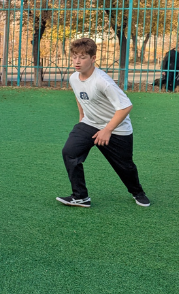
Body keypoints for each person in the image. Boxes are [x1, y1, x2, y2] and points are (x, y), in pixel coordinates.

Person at [57, 38, 150, 208]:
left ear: (93, 58)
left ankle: (138, 192)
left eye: (83, 57)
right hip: (90, 123)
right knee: (70, 152)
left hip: (117, 129)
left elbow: (126, 106)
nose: (77, 61)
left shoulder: (102, 81)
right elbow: (79, 95)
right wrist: (82, 117)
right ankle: (80, 196)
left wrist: (107, 130)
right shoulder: (73, 78)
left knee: (125, 167)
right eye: (74, 57)